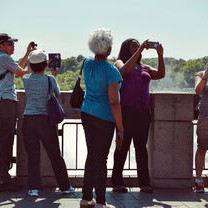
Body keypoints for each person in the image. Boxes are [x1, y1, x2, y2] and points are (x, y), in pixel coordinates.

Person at [111, 38, 165, 193]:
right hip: (125, 111)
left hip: (143, 111)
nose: (136, 46)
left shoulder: (144, 67)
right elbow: (123, 72)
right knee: (122, 146)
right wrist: (140, 50)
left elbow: (160, 74)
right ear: (125, 48)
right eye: (132, 45)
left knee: (141, 147)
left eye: (138, 44)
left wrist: (160, 55)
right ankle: (117, 182)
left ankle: (144, 183)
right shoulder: (119, 62)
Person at [79, 28, 123, 208]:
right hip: (104, 118)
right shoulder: (111, 71)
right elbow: (114, 102)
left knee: (92, 156)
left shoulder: (87, 63)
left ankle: (86, 197)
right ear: (109, 49)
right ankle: (101, 201)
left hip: (87, 112)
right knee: (101, 158)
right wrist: (121, 127)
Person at [22, 49, 74, 197]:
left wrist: (29, 61)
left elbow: (26, 71)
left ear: (31, 65)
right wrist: (54, 75)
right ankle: (64, 186)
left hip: (29, 120)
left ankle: (33, 188)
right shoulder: (50, 79)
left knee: (33, 155)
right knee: (55, 155)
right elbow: (56, 93)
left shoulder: (26, 79)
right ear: (46, 64)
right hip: (45, 121)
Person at [0, 33, 32, 192]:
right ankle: (4, 179)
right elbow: (21, 72)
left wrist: (26, 54)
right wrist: (35, 65)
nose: (13, 46)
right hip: (5, 101)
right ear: (1, 45)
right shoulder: (4, 58)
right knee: (6, 140)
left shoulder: (4, 59)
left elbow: (16, 68)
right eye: (10, 43)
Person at [194, 64, 208, 193]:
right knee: (202, 148)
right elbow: (198, 90)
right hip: (205, 117)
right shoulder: (200, 74)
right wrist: (206, 75)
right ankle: (198, 180)